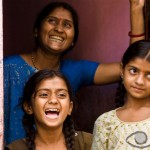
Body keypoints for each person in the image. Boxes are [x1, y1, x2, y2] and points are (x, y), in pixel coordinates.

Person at [4, 1, 143, 144]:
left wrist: (136, 8)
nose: (59, 29)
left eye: (67, 25)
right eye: (52, 21)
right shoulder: (8, 67)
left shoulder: (75, 71)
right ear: (36, 30)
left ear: (73, 40)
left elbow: (133, 68)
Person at [5, 69, 92, 150]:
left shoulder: (87, 142)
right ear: (29, 107)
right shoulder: (15, 148)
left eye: (61, 95)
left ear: (70, 107)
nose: (53, 100)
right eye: (44, 94)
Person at [91, 40, 150, 150]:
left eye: (149, 75)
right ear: (122, 71)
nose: (139, 81)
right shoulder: (105, 122)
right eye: (133, 71)